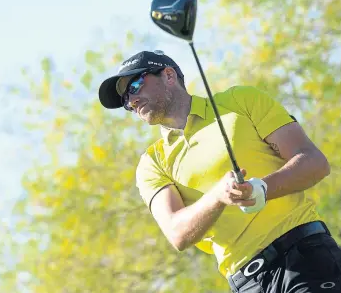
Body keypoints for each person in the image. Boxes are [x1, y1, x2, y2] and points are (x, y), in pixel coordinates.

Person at [98, 50, 341, 293]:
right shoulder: (152, 163)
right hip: (248, 284)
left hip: (304, 255)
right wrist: (217, 197)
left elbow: (314, 162)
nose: (131, 100)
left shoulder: (241, 101)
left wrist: (263, 188)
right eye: (125, 100)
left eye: (135, 85)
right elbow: (177, 233)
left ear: (169, 76)